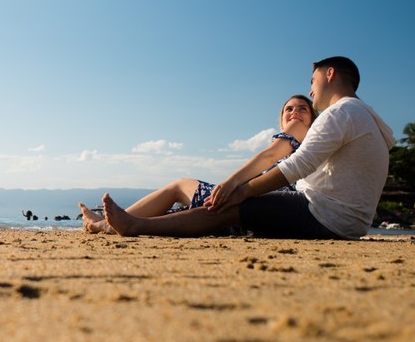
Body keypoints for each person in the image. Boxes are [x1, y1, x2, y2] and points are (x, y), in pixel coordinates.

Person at [101, 56, 394, 240]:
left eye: (313, 80)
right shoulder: (363, 116)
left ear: (330, 74)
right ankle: (129, 222)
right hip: (346, 221)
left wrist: (242, 189)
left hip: (326, 216)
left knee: (231, 206)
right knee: (232, 203)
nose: (310, 90)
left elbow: (296, 165)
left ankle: (135, 226)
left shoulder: (342, 112)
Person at [79, 95, 316, 234]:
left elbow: (267, 157)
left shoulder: (299, 132)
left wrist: (229, 184)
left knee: (179, 187)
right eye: (289, 109)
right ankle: (102, 225)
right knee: (177, 214)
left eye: (303, 108)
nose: (295, 112)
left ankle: (106, 225)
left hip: (266, 203)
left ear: (312, 118)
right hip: (262, 205)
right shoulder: (306, 140)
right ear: (280, 118)